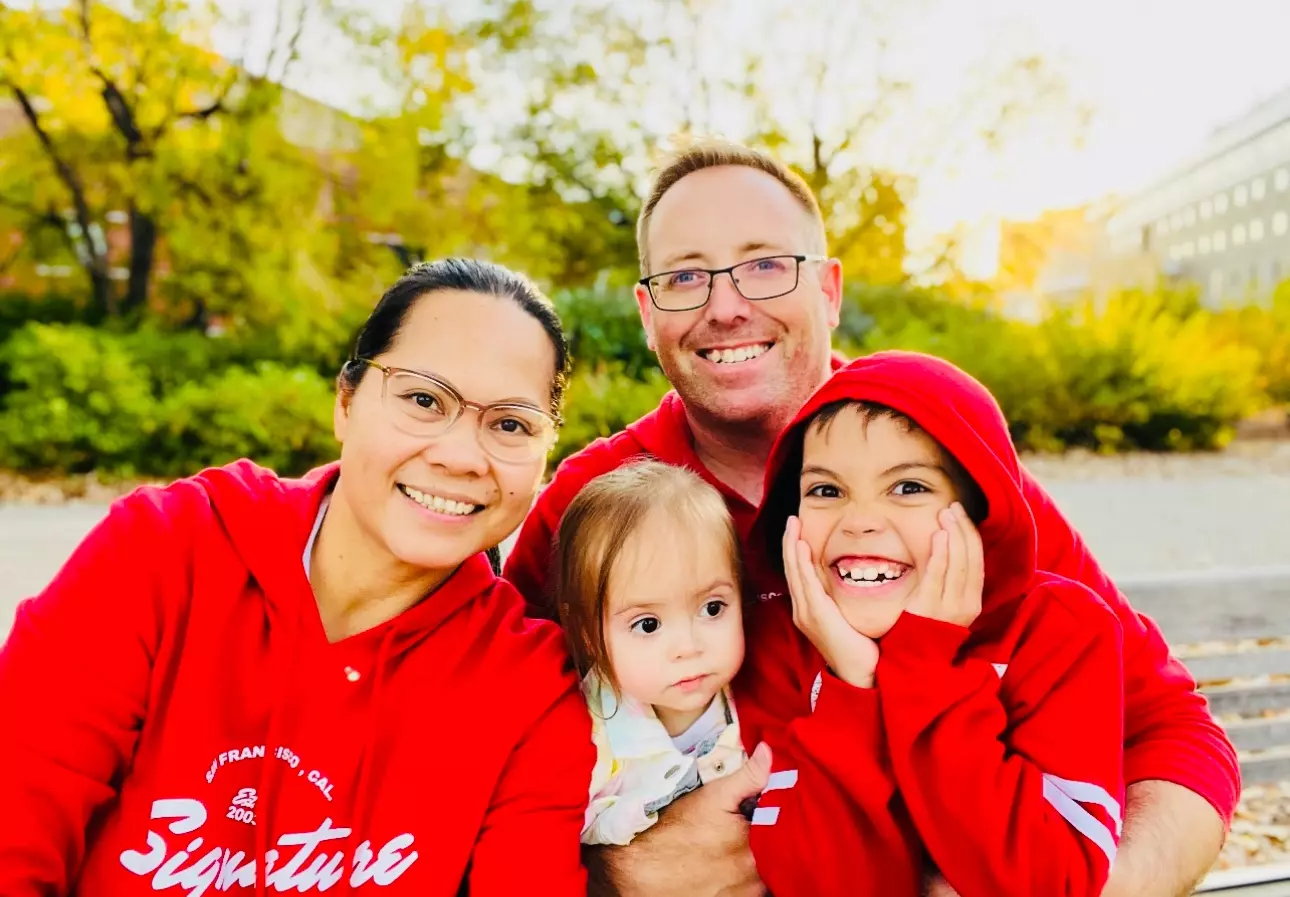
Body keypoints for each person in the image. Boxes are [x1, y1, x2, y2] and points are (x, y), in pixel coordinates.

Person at [503, 142, 1238, 897]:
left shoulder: (953, 470)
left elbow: (1174, 731)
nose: (725, 307)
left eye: (766, 264)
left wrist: (1084, 889)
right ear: (647, 311)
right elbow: (483, 748)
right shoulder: (598, 503)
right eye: (685, 277)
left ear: (829, 291)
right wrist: (621, 872)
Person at [0, 259, 596, 896]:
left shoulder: (531, 689)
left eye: (510, 424)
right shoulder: (167, 550)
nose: (460, 456)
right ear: (346, 402)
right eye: (424, 400)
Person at [738, 350, 1124, 897]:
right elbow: (829, 885)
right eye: (826, 491)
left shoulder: (1062, 631)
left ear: (980, 511)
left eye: (909, 487)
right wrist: (851, 686)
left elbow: (1049, 882)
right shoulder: (774, 644)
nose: (860, 522)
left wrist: (923, 663)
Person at [550, 460, 753, 847]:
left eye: (712, 608)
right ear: (588, 633)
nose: (688, 647)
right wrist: (631, 824)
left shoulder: (765, 694)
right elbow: (567, 832)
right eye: (648, 625)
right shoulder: (587, 737)